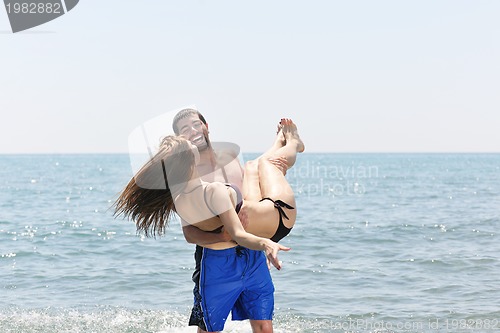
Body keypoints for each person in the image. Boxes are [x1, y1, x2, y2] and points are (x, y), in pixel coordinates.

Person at [114, 118, 304, 333]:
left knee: (254, 167)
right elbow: (213, 233)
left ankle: (286, 141)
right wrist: (264, 243)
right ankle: (291, 143)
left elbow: (236, 232)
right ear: (186, 160)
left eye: (196, 125)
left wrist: (259, 242)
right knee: (265, 165)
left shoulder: (182, 194)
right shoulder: (209, 191)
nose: (193, 135)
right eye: (185, 132)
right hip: (271, 219)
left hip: (266, 224)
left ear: (206, 127)